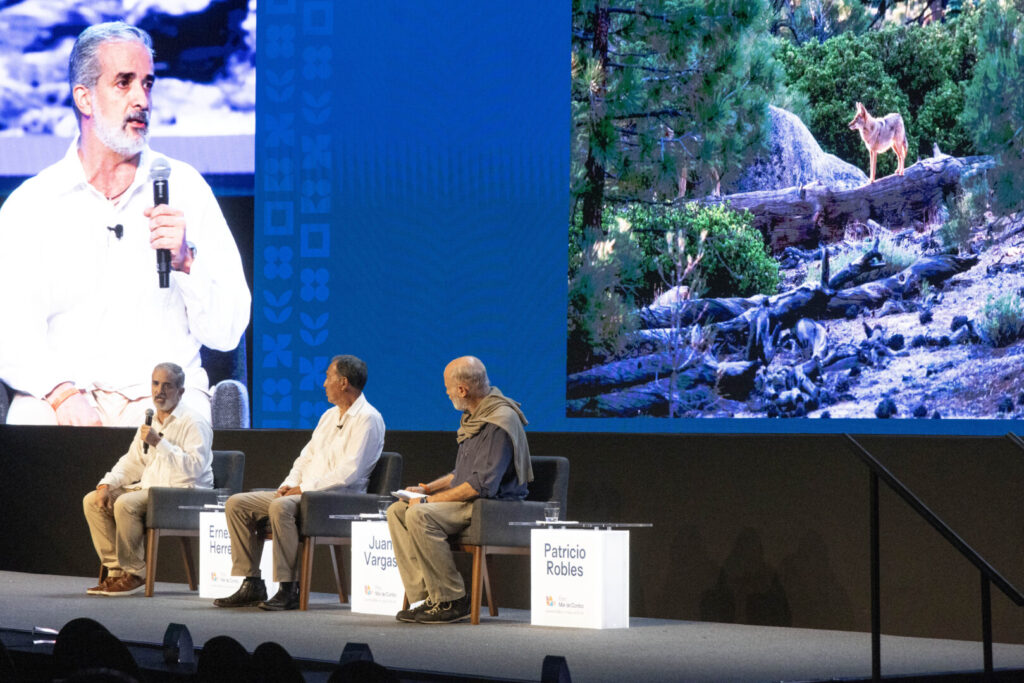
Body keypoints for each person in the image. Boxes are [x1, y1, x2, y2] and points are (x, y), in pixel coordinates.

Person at [0, 21, 250, 427]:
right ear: (84, 97)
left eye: (148, 84)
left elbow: (227, 332)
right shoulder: (33, 204)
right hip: (61, 397)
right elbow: (8, 329)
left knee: (181, 444)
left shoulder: (186, 189)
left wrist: (187, 262)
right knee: (29, 434)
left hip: (163, 400)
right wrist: (61, 394)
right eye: (124, 83)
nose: (142, 99)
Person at [214, 355, 385, 611]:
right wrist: (288, 484)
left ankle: (288, 587)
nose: (323, 383)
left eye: (328, 377)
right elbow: (306, 456)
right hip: (305, 493)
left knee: (280, 508)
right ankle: (252, 582)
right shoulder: (329, 416)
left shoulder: (368, 419)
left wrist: (303, 489)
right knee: (237, 504)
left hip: (339, 499)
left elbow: (348, 472)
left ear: (344, 383)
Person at [387, 356, 532, 624]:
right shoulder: (475, 417)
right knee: (397, 510)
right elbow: (460, 476)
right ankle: (429, 595)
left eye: (448, 387)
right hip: (472, 501)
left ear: (462, 390)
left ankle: (451, 599)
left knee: (420, 514)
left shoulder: (499, 420)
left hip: (491, 508)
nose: (446, 393)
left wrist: (429, 501)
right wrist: (426, 488)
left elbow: (481, 485)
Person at [82, 362, 213, 596]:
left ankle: (135, 573)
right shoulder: (149, 422)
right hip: (152, 489)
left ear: (181, 392)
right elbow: (133, 462)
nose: (159, 391)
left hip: (183, 494)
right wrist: (107, 483)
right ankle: (116, 571)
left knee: (125, 504)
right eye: (155, 383)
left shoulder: (194, 422)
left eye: (167, 386)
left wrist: (160, 444)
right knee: (93, 500)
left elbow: (194, 468)